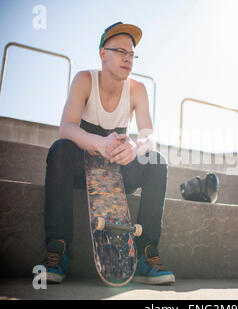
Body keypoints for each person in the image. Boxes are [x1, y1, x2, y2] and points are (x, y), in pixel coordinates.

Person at [42, 22, 175, 285]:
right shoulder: (84, 79)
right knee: (60, 150)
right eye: (121, 51)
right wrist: (100, 143)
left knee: (157, 161)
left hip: (117, 172)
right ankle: (57, 251)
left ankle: (146, 257)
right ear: (103, 53)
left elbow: (149, 134)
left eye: (132, 54)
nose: (128, 58)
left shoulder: (137, 89)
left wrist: (135, 149)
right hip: (85, 168)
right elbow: (66, 127)